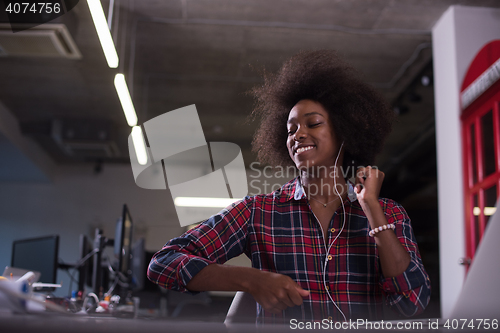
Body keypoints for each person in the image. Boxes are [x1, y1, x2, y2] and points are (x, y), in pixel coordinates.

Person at [147, 50, 431, 324]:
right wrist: (251, 280)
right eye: (291, 129)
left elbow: (412, 302)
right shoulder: (257, 212)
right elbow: (164, 263)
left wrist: (371, 208)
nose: (299, 135)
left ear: (346, 129)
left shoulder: (388, 213)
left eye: (313, 123)